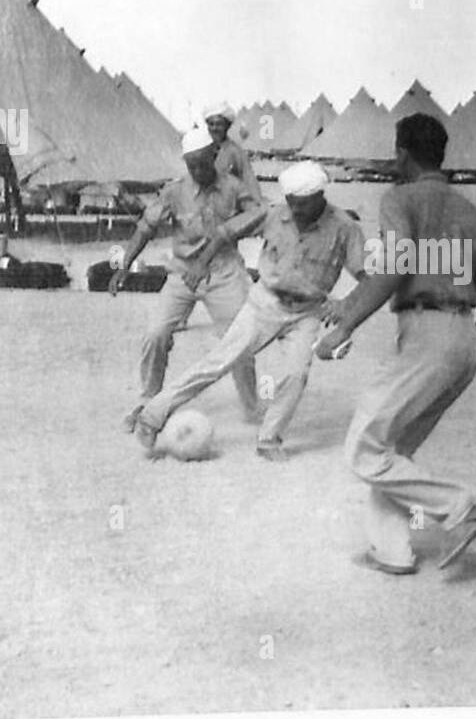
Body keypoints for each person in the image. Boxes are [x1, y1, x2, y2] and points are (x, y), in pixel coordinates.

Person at [316, 112, 476, 575]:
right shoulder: (468, 211)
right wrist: (473, 345)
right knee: (392, 450)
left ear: (402, 153)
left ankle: (461, 507)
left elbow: (394, 268)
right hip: (463, 338)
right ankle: (392, 551)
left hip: (427, 335)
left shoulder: (400, 198)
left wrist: (345, 326)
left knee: (363, 447)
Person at [133, 160, 366, 462]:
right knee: (219, 361)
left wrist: (346, 303)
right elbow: (224, 233)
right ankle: (151, 416)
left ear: (320, 197)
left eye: (302, 205)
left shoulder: (345, 228)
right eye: (291, 203)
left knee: (296, 375)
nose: (294, 211)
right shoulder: (273, 213)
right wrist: (202, 262)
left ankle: (269, 439)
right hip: (264, 302)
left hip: (307, 311)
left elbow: (371, 276)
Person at [112, 129, 266, 433]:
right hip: (183, 273)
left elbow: (259, 214)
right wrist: (124, 265)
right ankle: (148, 403)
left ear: (214, 155)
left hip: (223, 272)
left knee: (239, 340)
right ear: (185, 162)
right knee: (155, 334)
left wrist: (230, 232)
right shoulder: (174, 191)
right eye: (191, 165)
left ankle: (252, 406)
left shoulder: (234, 188)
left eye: (203, 163)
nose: (198, 170)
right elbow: (145, 228)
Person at [201, 101, 262, 200]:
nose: (214, 128)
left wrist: (257, 202)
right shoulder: (201, 150)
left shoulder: (236, 152)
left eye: (219, 124)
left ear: (227, 126)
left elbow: (249, 179)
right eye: (211, 124)